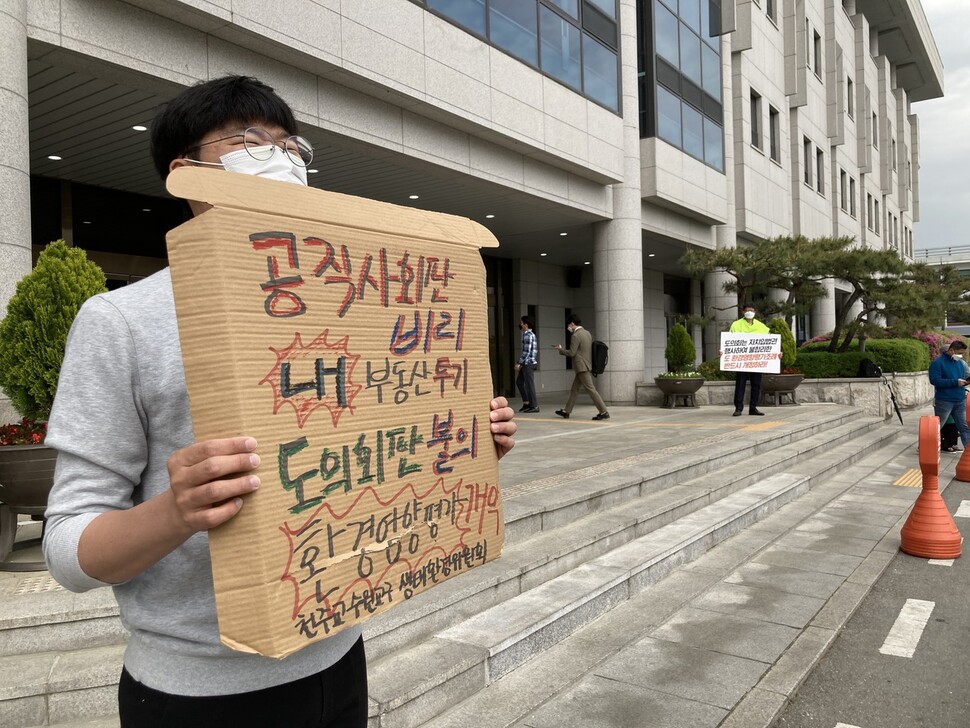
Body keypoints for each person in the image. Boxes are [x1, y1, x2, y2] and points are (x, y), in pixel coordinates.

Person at [42, 75, 517, 728]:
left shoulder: (351, 305)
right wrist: (178, 512)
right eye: (254, 142)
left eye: (295, 148)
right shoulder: (120, 320)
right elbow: (68, 550)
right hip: (198, 694)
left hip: (339, 650)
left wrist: (461, 438)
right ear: (186, 172)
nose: (286, 159)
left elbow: (367, 452)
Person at [553, 314, 609, 421]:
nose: (568, 327)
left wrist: (560, 349)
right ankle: (566, 411)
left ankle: (603, 411)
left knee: (591, 389)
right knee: (574, 389)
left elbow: (572, 352)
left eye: (568, 325)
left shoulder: (576, 335)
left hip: (581, 366)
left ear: (572, 324)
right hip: (586, 365)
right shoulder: (587, 333)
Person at [928, 339, 970, 452]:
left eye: (963, 353)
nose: (961, 356)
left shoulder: (960, 363)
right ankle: (925, 446)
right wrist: (955, 382)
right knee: (938, 426)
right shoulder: (938, 363)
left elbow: (964, 376)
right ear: (951, 350)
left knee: (964, 427)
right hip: (944, 401)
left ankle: (968, 450)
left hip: (959, 399)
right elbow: (935, 380)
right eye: (959, 353)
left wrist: (965, 382)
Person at [729, 303, 769, 416]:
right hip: (741, 360)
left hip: (756, 360)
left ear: (755, 312)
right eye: (747, 310)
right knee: (740, 383)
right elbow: (729, 342)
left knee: (756, 384)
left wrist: (777, 353)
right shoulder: (736, 325)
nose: (749, 312)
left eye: (751, 310)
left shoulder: (762, 327)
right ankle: (738, 408)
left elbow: (770, 343)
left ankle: (753, 407)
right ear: (743, 312)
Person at [515, 315, 539, 413]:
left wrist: (519, 363)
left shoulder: (528, 335)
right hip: (526, 363)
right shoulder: (528, 334)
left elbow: (526, 352)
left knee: (529, 385)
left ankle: (534, 406)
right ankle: (527, 403)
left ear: (526, 325)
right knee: (520, 382)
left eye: (521, 323)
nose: (520, 325)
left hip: (528, 363)